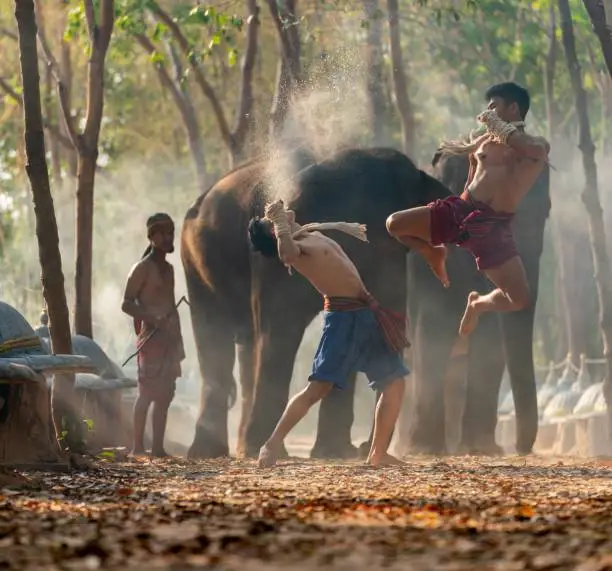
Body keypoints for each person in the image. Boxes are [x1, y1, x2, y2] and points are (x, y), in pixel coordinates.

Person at [248, 199, 410, 468]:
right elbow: (286, 254)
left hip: (366, 314)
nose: (276, 214)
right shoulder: (294, 248)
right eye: (271, 221)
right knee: (318, 388)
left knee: (394, 382)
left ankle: (378, 455)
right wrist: (279, 226)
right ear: (275, 233)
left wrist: (282, 225)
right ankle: (271, 444)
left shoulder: (311, 234)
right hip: (343, 319)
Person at [385, 82, 550, 337]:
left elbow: (534, 150)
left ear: (514, 108)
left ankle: (477, 304)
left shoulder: (536, 145)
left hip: (494, 229)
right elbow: (472, 177)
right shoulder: (484, 142)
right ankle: (433, 253)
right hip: (460, 212)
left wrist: (499, 128)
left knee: (519, 299)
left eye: (494, 106)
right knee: (394, 224)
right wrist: (454, 211)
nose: (489, 112)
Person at [121, 213, 185, 457]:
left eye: (171, 232)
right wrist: (152, 318)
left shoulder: (168, 269)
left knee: (166, 394)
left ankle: (157, 448)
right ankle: (138, 448)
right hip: (151, 340)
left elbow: (168, 303)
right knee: (147, 393)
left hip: (170, 339)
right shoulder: (142, 269)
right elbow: (126, 304)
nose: (169, 237)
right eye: (164, 233)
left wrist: (174, 332)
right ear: (152, 237)